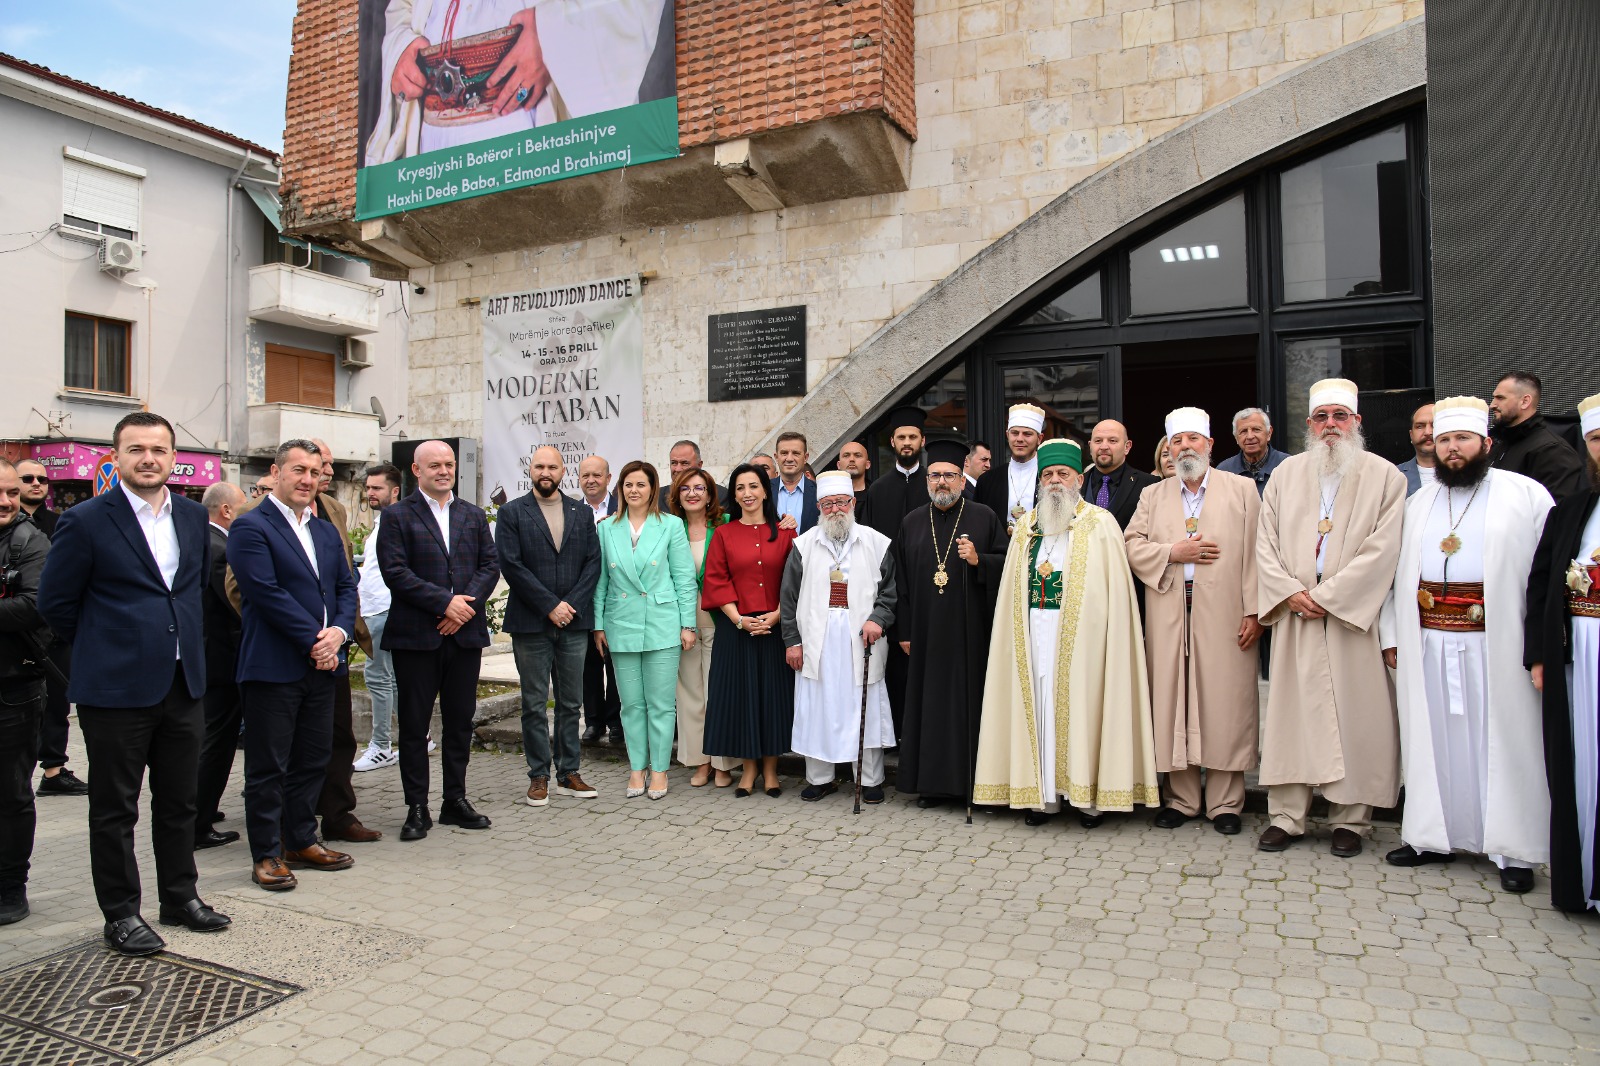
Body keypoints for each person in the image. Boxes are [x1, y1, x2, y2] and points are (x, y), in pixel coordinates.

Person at [38, 413, 229, 954]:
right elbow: (56, 604)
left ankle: (180, 897)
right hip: (116, 690)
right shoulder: (87, 520)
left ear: (174, 458)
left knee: (179, 801)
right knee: (115, 807)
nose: (149, 458)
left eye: (159, 449)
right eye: (137, 449)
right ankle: (120, 913)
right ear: (116, 458)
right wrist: (110, 647)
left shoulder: (192, 518)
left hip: (183, 683)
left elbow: (189, 594)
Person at [1379, 396, 1553, 893]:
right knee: (1431, 738)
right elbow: (1393, 580)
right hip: (1428, 639)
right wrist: (1391, 636)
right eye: (1445, 440)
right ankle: (1431, 837)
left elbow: (1546, 576)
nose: (1453, 449)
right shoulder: (1417, 502)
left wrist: (1542, 645)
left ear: (1486, 443)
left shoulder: (1526, 496)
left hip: (1495, 642)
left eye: (1462, 439)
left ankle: (1512, 849)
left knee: (1501, 739)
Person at [973, 438, 1159, 827]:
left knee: (1082, 708)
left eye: (1063, 474)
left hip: (1083, 642)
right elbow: (1011, 588)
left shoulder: (1100, 523)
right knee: (1038, 706)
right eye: (1048, 474)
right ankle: (1043, 798)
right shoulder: (1026, 526)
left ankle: (1086, 797)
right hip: (1033, 636)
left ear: (1078, 478)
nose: (1055, 481)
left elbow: (1116, 592)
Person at [1255, 378, 1406, 857]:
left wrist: (1331, 596)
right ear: (1308, 425)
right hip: (1297, 615)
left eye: (1340, 416)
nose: (1331, 426)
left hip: (1349, 620)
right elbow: (1266, 543)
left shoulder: (1386, 477)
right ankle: (1286, 815)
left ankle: (1351, 819)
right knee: (1291, 717)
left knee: (1355, 717)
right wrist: (1291, 592)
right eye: (1322, 417)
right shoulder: (1286, 474)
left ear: (1357, 422)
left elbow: (1383, 550)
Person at [228, 440, 360, 892]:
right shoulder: (251, 526)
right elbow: (264, 594)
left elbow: (346, 585)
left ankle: (301, 840)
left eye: (314, 471)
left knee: (313, 759)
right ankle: (266, 853)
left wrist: (339, 635)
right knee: (269, 766)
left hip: (324, 666)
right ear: (277, 472)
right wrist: (314, 641)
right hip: (273, 666)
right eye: (298, 470)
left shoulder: (323, 530)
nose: (307, 479)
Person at [1125, 409, 1262, 835]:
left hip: (1226, 613)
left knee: (1224, 702)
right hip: (1168, 611)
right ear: (1168, 449)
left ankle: (1225, 804)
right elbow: (1130, 544)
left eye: (1193, 440)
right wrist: (1172, 553)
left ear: (1210, 445)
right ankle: (1182, 800)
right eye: (1177, 441)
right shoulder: (1154, 494)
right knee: (1171, 701)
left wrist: (1255, 610)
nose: (1185, 447)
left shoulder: (1241, 490)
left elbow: (1262, 550)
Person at [377, 440, 501, 841]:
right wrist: (445, 604)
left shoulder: (473, 514)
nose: (444, 471)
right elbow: (395, 572)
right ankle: (417, 807)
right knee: (414, 725)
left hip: (463, 637)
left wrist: (461, 609)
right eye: (435, 465)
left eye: (449, 464)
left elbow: (489, 565)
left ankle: (455, 801)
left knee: (460, 722)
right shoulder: (397, 516)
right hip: (417, 637)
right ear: (416, 471)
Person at [891, 439, 1008, 810]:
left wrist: (979, 561)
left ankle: (975, 784)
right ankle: (932, 786)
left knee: (967, 705)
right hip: (924, 633)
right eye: (935, 475)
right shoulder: (911, 522)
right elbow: (901, 583)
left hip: (970, 632)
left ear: (962, 479)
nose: (942, 482)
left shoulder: (984, 516)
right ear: (928, 479)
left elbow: (1007, 565)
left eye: (950, 476)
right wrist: (905, 631)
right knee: (929, 706)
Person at [780, 472, 897, 802]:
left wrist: (878, 619)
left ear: (853, 504)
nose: (835, 510)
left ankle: (870, 780)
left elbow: (889, 593)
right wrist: (792, 640)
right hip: (816, 641)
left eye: (840, 503)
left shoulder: (877, 542)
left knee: (865, 707)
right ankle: (821, 778)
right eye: (827, 504)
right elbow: (788, 598)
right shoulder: (803, 545)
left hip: (862, 640)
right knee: (817, 707)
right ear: (818, 507)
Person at [1526, 390, 1600, 913]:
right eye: (1597, 437)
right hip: (1580, 659)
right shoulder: (1573, 510)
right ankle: (1583, 885)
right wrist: (1540, 656)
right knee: (1580, 763)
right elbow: (1543, 583)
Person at [497, 446, 602, 807]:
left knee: (572, 703)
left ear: (563, 471)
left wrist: (569, 606)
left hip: (573, 622)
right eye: (539, 466)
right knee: (533, 703)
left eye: (552, 466)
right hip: (531, 623)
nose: (546, 471)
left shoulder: (581, 512)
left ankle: (568, 772)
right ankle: (538, 775)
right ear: (531, 470)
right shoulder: (512, 512)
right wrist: (549, 606)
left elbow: (592, 564)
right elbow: (511, 566)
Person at [595, 461, 697, 799]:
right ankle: (637, 767)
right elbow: (601, 582)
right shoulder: (607, 528)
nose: (634, 490)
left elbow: (684, 578)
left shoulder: (670, 525)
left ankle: (660, 770)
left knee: (661, 704)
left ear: (653, 489)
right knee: (631, 704)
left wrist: (687, 624)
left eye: (641, 484)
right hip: (621, 622)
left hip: (662, 622)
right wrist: (598, 625)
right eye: (628, 485)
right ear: (620, 489)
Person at [702, 464, 797, 797]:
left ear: (765, 491)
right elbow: (715, 579)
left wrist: (776, 616)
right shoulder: (725, 534)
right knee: (741, 698)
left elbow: (796, 582)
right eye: (740, 488)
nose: (747, 493)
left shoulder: (785, 533)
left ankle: (771, 769)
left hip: (775, 627)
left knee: (772, 697)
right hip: (736, 628)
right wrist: (739, 619)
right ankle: (749, 768)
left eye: (754, 486)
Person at [0, 459, 52, 925]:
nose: (6, 501)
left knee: (11, 794)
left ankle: (10, 885)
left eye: (12, 492)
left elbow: (33, 606)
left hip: (13, 689)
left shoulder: (30, 540)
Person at [17, 458, 83, 799]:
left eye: (42, 478)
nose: (36, 483)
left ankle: (54, 769)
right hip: (14, 629)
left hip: (53, 632)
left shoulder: (60, 523)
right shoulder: (7, 525)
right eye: (27, 478)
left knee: (57, 703)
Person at [669, 468, 736, 787]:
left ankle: (723, 762)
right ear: (677, 496)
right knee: (690, 695)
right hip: (682, 624)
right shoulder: (669, 528)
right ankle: (700, 761)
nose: (692, 493)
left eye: (699, 488)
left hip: (721, 621)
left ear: (710, 494)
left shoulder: (724, 526)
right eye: (685, 489)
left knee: (718, 694)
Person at [193, 481, 247, 850]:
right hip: (221, 662)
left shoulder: (204, 541)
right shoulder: (217, 548)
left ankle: (202, 811)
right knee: (216, 741)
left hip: (215, 659)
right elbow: (232, 604)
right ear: (226, 510)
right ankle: (197, 822)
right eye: (242, 506)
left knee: (213, 737)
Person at [354, 464, 403, 772]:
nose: (370, 493)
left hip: (381, 608)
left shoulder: (395, 522)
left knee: (378, 679)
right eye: (368, 488)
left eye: (377, 488)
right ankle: (420, 735)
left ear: (394, 490)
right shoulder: (381, 522)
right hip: (374, 607)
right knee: (392, 679)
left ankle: (382, 746)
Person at [577, 454, 623, 744]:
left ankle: (617, 722)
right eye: (585, 476)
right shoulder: (570, 510)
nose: (591, 480)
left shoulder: (625, 508)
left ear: (609, 478)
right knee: (589, 664)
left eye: (597, 475)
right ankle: (593, 722)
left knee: (617, 662)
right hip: (582, 598)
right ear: (578, 480)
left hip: (619, 598)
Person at [1489, 371, 1586, 500]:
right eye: (1494, 398)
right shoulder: (1498, 446)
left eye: (1500, 398)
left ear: (1525, 401)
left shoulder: (1552, 451)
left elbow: (1557, 512)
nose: (1492, 405)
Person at [974, 403, 1046, 535]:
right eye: (1015, 433)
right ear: (1007, 435)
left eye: (1027, 434)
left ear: (1039, 439)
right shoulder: (987, 480)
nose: (1019, 439)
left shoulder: (1048, 477)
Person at [862, 407, 928, 540]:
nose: (907, 443)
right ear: (892, 441)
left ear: (922, 441)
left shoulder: (934, 485)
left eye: (913, 437)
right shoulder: (877, 489)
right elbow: (867, 537)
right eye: (901, 437)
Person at [1083, 420, 1160, 530]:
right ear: (1090, 446)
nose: (1104, 446)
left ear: (1127, 447)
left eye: (1112, 441)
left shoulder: (1150, 484)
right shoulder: (1076, 485)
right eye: (1098, 441)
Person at [1217, 408, 1289, 496]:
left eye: (1256, 429)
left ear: (1269, 433)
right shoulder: (1224, 472)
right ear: (1236, 437)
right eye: (1243, 431)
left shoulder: (1288, 465)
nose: (1250, 436)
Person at [771, 432, 819, 533]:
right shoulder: (764, 490)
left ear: (805, 458)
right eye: (784, 453)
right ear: (776, 457)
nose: (789, 459)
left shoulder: (820, 491)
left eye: (796, 453)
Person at [1397, 402, 1436, 496]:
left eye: (1434, 425)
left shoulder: (1463, 473)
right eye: (1420, 426)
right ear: (1411, 435)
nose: (1427, 432)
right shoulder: (1394, 475)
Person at [659, 440, 702, 510]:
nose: (678, 469)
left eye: (685, 463)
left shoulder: (720, 495)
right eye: (674, 463)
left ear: (699, 465)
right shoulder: (656, 497)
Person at [837, 439, 872, 520]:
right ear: (838, 465)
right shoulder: (829, 497)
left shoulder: (877, 495)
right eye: (846, 455)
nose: (852, 459)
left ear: (867, 464)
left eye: (857, 455)